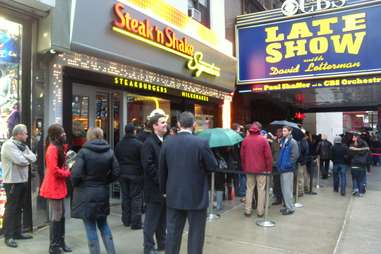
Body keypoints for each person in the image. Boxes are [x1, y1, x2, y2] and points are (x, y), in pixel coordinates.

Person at [159, 111, 218, 254]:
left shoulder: (167, 142)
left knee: (172, 233)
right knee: (196, 235)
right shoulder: (201, 143)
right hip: (196, 196)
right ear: (194, 125)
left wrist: (164, 191)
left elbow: (162, 169)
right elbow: (213, 166)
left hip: (174, 194)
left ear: (178, 124)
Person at [71, 127, 120, 254]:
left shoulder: (83, 152)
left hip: (86, 193)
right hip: (102, 191)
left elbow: (75, 175)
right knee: (103, 224)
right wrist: (105, 181)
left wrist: (76, 184)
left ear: (89, 136)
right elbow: (116, 172)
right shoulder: (109, 151)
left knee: (90, 225)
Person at [1, 124, 36, 248]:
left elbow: (33, 157)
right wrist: (26, 159)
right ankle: (8, 236)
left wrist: (25, 158)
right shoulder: (8, 145)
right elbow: (20, 161)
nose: (27, 135)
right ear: (19, 134)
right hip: (12, 181)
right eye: (25, 133)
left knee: (19, 207)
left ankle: (17, 232)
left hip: (22, 180)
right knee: (11, 208)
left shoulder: (23, 146)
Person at [40, 124, 72, 254]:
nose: (64, 134)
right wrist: (67, 172)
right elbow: (53, 170)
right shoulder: (52, 149)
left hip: (58, 185)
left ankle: (60, 242)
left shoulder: (57, 148)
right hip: (54, 186)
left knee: (61, 214)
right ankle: (54, 246)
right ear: (56, 135)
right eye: (62, 133)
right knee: (57, 215)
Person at [141, 111, 168, 254]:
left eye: (165, 122)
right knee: (151, 220)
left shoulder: (164, 141)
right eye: (162, 123)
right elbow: (149, 166)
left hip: (163, 189)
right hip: (154, 190)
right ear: (154, 126)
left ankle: (162, 243)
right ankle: (148, 247)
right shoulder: (149, 143)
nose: (166, 125)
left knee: (162, 219)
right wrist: (161, 182)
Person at [240, 122, 272, 217]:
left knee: (249, 189)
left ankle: (248, 210)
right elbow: (268, 157)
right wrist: (269, 169)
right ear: (259, 130)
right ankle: (260, 211)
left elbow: (242, 156)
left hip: (249, 169)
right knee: (261, 190)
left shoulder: (245, 140)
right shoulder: (263, 140)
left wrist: (244, 167)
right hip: (261, 170)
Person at [115, 123, 144, 229]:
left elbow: (116, 159)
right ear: (134, 131)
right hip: (136, 174)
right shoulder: (139, 144)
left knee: (126, 197)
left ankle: (126, 220)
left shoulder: (119, 144)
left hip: (122, 174)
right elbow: (143, 160)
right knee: (136, 198)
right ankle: (136, 223)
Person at [277, 126, 299, 215]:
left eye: (285, 131)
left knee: (287, 189)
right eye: (283, 130)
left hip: (287, 169)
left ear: (290, 132)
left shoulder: (293, 142)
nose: (283, 132)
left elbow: (295, 156)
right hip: (282, 169)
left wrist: (287, 165)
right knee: (284, 189)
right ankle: (287, 206)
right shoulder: (284, 141)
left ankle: (290, 208)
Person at [349, 132, 369, 197]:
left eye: (353, 137)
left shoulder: (352, 146)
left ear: (356, 137)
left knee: (355, 178)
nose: (352, 138)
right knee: (362, 178)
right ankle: (361, 191)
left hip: (354, 164)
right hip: (362, 165)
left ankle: (356, 189)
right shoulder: (365, 146)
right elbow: (368, 156)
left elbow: (349, 155)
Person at [297, 132, 310, 197]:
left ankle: (300, 191)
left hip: (300, 161)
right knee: (304, 175)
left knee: (300, 177)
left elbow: (301, 152)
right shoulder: (304, 141)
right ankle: (306, 188)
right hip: (303, 161)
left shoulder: (301, 141)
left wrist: (300, 159)